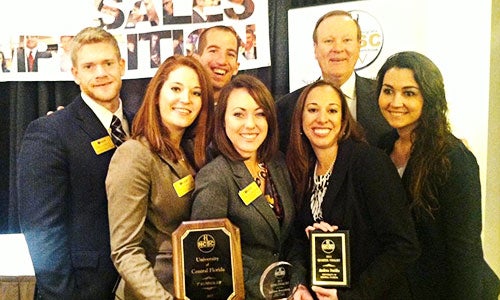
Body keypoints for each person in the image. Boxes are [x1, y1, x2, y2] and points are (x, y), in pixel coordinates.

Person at [17, 26, 130, 299]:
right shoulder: (49, 132)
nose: (101, 73)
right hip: (81, 290)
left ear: (122, 66)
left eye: (108, 63)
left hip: (139, 283)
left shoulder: (140, 127)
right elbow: (41, 230)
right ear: (75, 74)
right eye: (89, 66)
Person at [376, 51, 500, 300]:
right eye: (388, 90)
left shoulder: (453, 158)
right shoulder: (383, 146)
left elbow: (465, 250)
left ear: (429, 98)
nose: (395, 101)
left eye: (409, 93)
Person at [286, 80, 420, 299]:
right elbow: (299, 240)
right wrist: (299, 284)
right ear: (300, 119)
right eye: (312, 110)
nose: (322, 118)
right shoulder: (302, 170)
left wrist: (351, 297)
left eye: (332, 110)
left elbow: (403, 247)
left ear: (343, 119)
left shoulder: (369, 163)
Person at [106, 54, 213, 299]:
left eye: (196, 93)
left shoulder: (190, 154)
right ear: (156, 94)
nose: (186, 99)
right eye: (176, 88)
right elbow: (125, 251)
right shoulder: (134, 155)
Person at [190, 74, 305, 299]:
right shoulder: (215, 179)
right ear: (222, 120)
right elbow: (208, 267)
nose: (250, 124)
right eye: (238, 114)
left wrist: (297, 284)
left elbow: (291, 238)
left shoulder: (277, 164)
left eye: (260, 114)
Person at [276, 10, 390, 153]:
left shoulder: (385, 98)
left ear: (359, 46)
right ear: (315, 49)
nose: (338, 48)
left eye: (347, 40)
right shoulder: (286, 108)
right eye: (329, 41)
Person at [194, 25, 240, 102]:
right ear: (197, 60)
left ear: (236, 67)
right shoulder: (184, 106)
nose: (222, 61)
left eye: (230, 54)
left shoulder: (241, 108)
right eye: (213, 51)